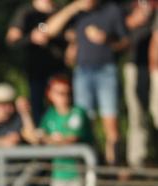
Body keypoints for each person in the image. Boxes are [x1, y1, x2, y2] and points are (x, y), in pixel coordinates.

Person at [45, 0, 128, 165]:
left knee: (110, 123)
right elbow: (49, 30)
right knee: (84, 124)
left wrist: (107, 40)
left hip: (106, 71)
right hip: (82, 72)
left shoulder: (112, 10)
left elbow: (126, 41)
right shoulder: (77, 13)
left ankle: (113, 168)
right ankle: (91, 167)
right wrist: (74, 7)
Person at [21, 74, 93, 186]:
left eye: (67, 93)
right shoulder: (50, 115)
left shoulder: (77, 113)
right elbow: (34, 138)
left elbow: (70, 139)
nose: (64, 97)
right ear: (50, 95)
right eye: (59, 93)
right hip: (58, 177)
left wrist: (44, 138)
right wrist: (25, 114)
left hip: (77, 176)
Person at [6, 0, 66, 124]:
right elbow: (11, 40)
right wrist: (31, 38)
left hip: (58, 71)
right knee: (35, 107)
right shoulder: (26, 13)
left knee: (61, 106)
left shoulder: (60, 11)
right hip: (33, 72)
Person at [122, 0, 157, 168]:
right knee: (137, 114)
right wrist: (134, 20)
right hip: (135, 65)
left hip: (156, 67)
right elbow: (118, 29)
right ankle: (137, 160)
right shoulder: (128, 5)